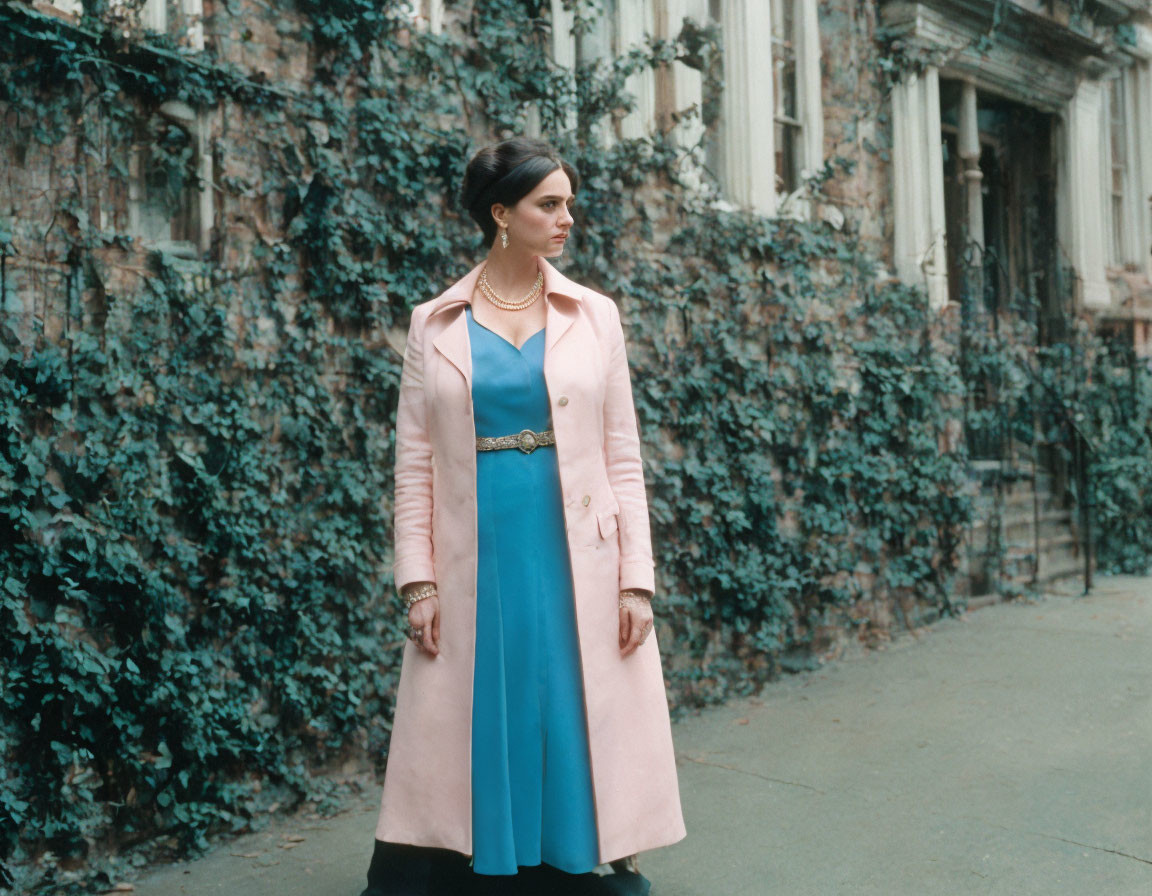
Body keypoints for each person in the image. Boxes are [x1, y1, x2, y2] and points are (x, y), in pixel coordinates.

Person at [360, 137, 685, 896]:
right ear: (501, 215)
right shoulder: (433, 324)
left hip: (577, 542)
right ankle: (486, 853)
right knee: (487, 695)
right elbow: (413, 466)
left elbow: (623, 458)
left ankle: (580, 852)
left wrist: (637, 581)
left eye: (569, 202)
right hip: (476, 545)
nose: (568, 217)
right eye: (550, 204)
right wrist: (417, 581)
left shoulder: (596, 315)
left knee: (568, 690)